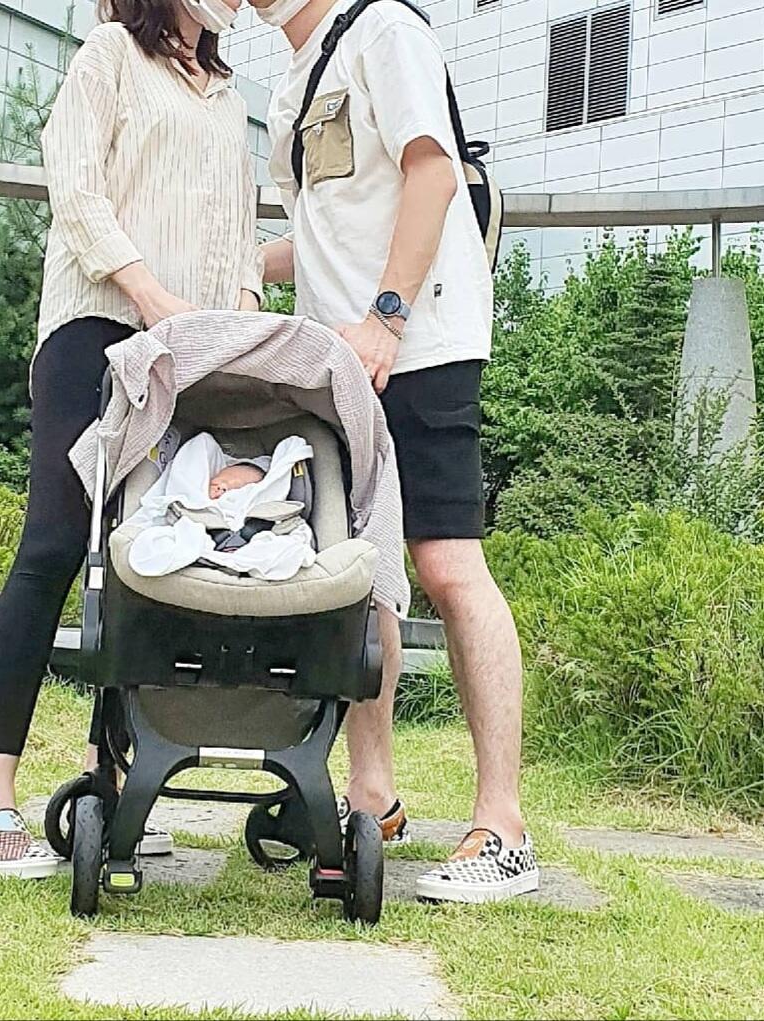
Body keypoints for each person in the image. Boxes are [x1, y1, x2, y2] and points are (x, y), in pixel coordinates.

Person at [0, 0, 264, 878]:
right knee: (56, 543)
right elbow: (77, 189)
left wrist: (240, 316)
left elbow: (241, 237)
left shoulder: (227, 98)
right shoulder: (108, 54)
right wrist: (150, 295)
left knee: (148, 554)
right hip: (96, 328)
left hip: (189, 351)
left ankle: (116, 783)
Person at [252, 0, 539, 902]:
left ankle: (502, 826)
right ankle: (370, 798)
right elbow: (321, 233)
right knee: (359, 571)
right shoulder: (290, 81)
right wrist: (238, 266)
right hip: (339, 362)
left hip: (419, 345)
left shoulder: (384, 30)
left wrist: (386, 317)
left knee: (447, 564)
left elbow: (432, 171)